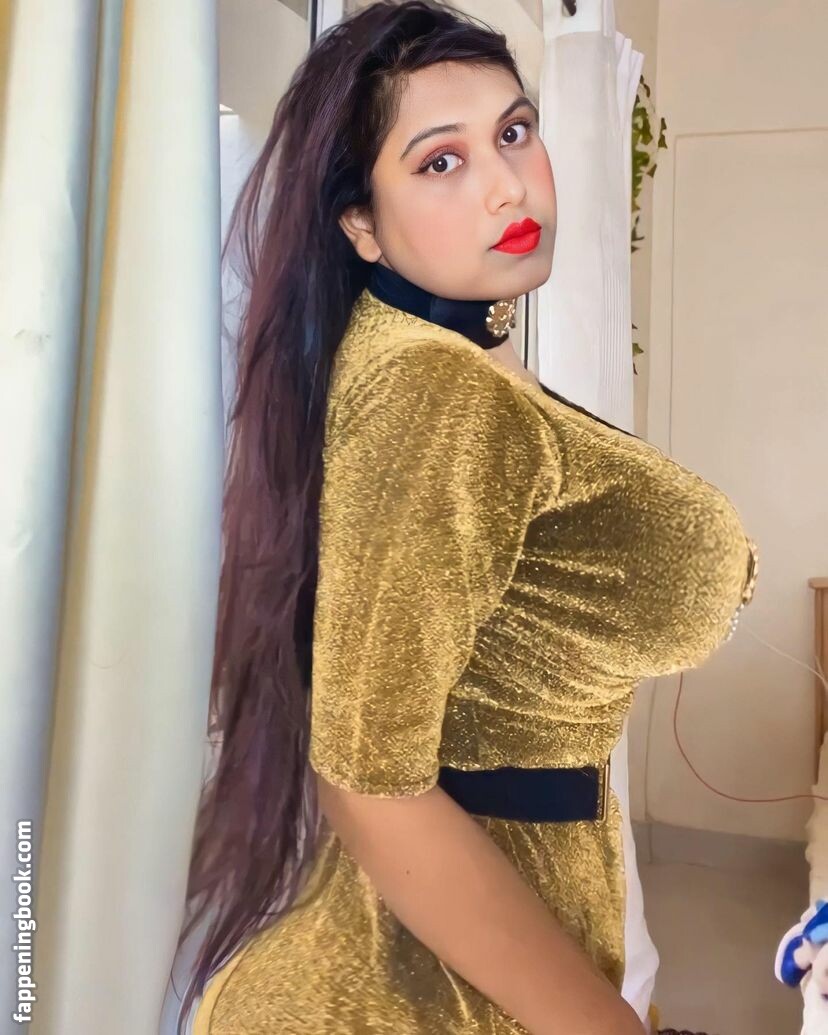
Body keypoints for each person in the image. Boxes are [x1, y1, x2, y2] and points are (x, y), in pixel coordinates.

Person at [174, 2, 759, 1033]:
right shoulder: (434, 391)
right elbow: (371, 781)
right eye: (440, 161)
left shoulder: (448, 361)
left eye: (514, 132)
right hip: (400, 997)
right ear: (361, 224)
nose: (506, 185)